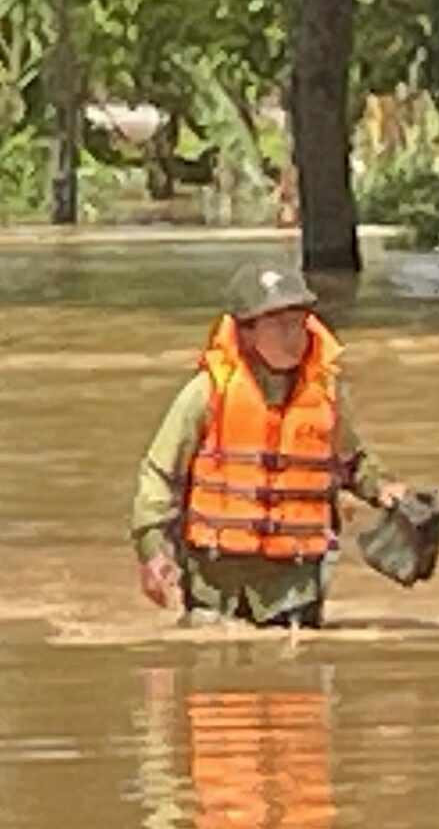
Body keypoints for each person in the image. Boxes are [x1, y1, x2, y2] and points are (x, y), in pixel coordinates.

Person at [132, 265, 418, 631]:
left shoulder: (325, 396)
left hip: (295, 582)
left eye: (299, 323)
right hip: (216, 581)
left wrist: (386, 490)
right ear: (246, 332)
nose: (292, 336)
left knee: (298, 677)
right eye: (278, 324)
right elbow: (159, 475)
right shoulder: (206, 393)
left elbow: (351, 462)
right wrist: (152, 550)